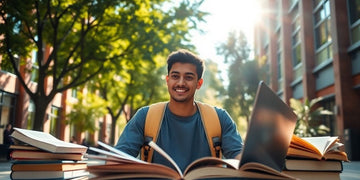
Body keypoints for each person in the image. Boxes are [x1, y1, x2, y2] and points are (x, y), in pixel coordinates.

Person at [115, 49, 243, 172]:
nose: (181, 83)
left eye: (188, 77)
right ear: (168, 80)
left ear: (199, 83)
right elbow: (118, 158)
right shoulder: (146, 116)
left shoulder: (219, 118)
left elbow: (239, 157)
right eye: (175, 76)